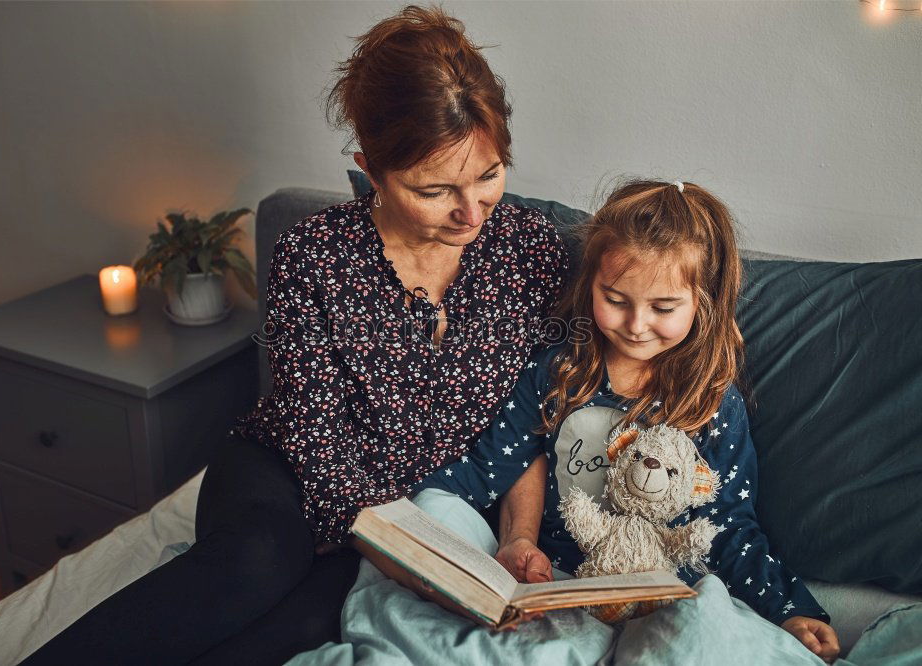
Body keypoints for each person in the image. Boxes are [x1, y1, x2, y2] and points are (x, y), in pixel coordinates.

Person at [22, 6, 566, 665]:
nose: (471, 213)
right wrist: (396, 543)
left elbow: (526, 422)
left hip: (419, 516)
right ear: (371, 170)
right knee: (250, 569)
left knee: (290, 634)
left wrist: (514, 538)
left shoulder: (530, 253)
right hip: (285, 473)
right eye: (436, 190)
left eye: (489, 175)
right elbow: (316, 432)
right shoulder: (315, 251)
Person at [290, 180, 842, 665]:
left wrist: (789, 608)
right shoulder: (561, 367)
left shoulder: (712, 403)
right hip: (553, 578)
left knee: (696, 630)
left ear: (704, 301)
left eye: (663, 307)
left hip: (657, 585)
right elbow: (495, 462)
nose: (636, 325)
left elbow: (728, 527)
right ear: (591, 285)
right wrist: (417, 520)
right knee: (434, 529)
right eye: (616, 299)